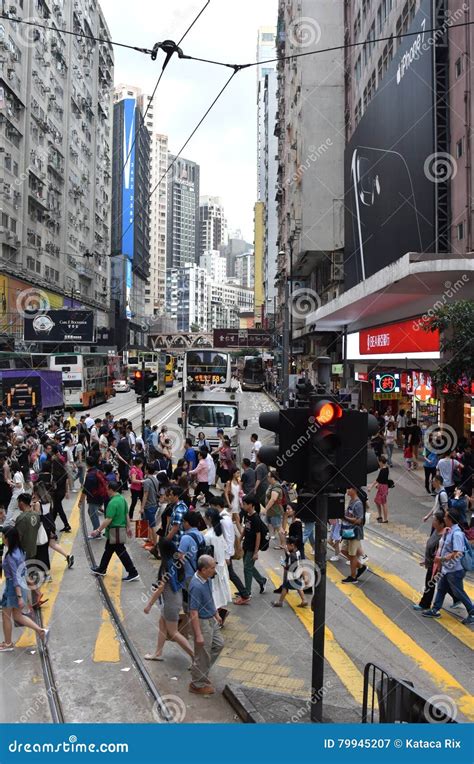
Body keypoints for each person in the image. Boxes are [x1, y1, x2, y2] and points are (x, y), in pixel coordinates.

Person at [143, 538, 194, 662]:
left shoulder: (167, 566)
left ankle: (195, 657)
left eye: (159, 548)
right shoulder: (175, 562)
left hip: (170, 602)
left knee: (174, 632)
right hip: (176, 598)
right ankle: (158, 653)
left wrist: (149, 605)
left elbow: (160, 589)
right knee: (162, 625)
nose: (157, 550)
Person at [0, 527, 50, 652]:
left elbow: (15, 577)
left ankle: (8, 643)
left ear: (8, 538)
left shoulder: (11, 556)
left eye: (2, 536)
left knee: (6, 615)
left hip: (13, 588)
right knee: (17, 616)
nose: (1, 538)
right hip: (21, 586)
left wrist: (19, 597)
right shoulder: (20, 551)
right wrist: (34, 588)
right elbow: (24, 571)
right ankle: (41, 631)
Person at [422, 508, 474, 625]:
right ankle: (435, 610)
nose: (444, 518)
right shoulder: (450, 531)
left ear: (450, 519)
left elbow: (457, 552)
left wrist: (441, 559)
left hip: (455, 570)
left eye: (446, 517)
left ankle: (472, 611)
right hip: (447, 569)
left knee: (458, 592)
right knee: (441, 588)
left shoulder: (457, 534)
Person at [188, 555, 224, 695]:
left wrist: (215, 613)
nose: (214, 571)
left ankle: (201, 672)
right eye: (212, 568)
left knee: (218, 644)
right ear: (203, 569)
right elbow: (193, 612)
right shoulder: (196, 586)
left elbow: (209, 597)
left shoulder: (207, 579)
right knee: (203, 654)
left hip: (211, 619)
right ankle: (197, 684)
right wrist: (198, 635)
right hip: (202, 622)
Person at [90, 481, 139, 582]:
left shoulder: (112, 502)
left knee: (121, 552)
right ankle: (102, 569)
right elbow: (126, 514)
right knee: (108, 550)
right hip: (119, 529)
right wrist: (128, 527)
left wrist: (98, 530)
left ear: (111, 490)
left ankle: (133, 572)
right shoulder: (122, 499)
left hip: (115, 530)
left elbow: (108, 519)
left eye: (107, 489)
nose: (106, 491)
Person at [234, 493, 267, 605]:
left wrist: (256, 552)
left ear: (251, 505)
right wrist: (241, 537)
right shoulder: (248, 515)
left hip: (252, 547)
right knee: (248, 566)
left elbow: (258, 535)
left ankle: (247, 592)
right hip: (246, 545)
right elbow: (246, 528)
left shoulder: (256, 518)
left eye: (244, 504)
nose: (242, 505)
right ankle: (262, 580)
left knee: (247, 568)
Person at [413, 511, 447, 612]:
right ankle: (457, 599)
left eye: (435, 520)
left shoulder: (443, 536)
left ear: (441, 523)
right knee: (449, 586)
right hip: (432, 563)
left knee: (430, 584)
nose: (433, 521)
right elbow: (431, 549)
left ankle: (425, 604)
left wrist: (432, 561)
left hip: (437, 565)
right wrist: (426, 560)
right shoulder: (436, 531)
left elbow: (439, 552)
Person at [204, 508, 232, 623]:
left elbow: (207, 554)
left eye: (205, 517)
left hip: (213, 569)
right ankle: (220, 615)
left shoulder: (209, 535)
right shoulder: (218, 533)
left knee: (213, 595)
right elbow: (225, 549)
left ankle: (216, 620)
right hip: (221, 567)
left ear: (209, 518)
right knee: (219, 594)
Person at [340, 487, 367, 584]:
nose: (347, 491)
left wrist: (345, 518)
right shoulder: (351, 501)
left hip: (355, 532)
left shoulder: (358, 504)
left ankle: (353, 576)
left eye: (349, 489)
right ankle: (360, 566)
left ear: (354, 490)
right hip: (348, 531)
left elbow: (359, 520)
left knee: (352, 554)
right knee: (343, 550)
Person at [272, 538, 308, 608]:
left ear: (292, 545)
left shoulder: (292, 555)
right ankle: (304, 600)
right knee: (298, 586)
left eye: (287, 545)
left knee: (285, 587)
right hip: (298, 572)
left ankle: (280, 602)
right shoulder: (298, 552)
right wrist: (286, 550)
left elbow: (291, 565)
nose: (286, 546)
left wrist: (284, 565)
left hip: (292, 573)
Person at [263, 470, 286, 548]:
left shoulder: (276, 486)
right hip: (270, 511)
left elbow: (273, 499)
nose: (267, 478)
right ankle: (266, 539)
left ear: (273, 478)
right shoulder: (272, 485)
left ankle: (283, 544)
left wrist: (266, 509)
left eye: (268, 477)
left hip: (274, 511)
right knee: (267, 525)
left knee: (278, 527)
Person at [141, 464, 160, 550]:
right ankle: (150, 539)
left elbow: (145, 494)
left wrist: (142, 507)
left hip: (149, 505)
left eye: (145, 468)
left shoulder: (147, 481)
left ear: (147, 470)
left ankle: (155, 544)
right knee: (149, 523)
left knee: (152, 525)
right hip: (154, 504)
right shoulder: (155, 479)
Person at [369, 455, 390, 523]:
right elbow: (382, 479)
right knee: (377, 501)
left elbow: (378, 480)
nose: (378, 463)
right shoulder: (385, 468)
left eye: (379, 462)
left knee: (384, 503)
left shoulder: (383, 470)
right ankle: (380, 516)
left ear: (381, 462)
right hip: (383, 486)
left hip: (383, 488)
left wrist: (371, 486)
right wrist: (378, 485)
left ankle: (385, 519)